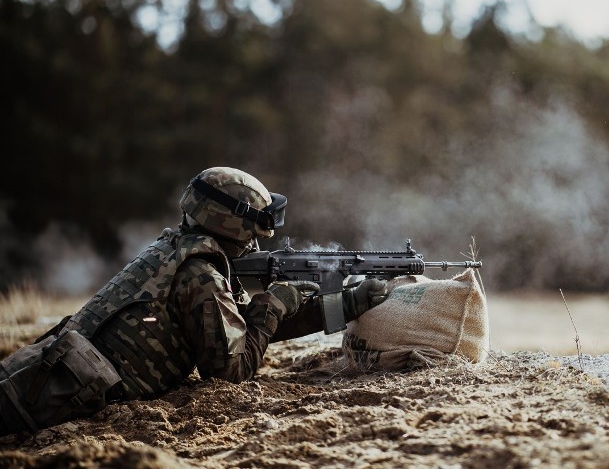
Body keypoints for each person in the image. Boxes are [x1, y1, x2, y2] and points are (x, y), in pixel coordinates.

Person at [0, 167, 388, 436]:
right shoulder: (200, 275)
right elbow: (229, 370)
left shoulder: (176, 250)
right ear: (228, 222)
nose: (257, 239)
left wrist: (347, 304)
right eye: (253, 226)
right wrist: (274, 304)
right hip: (45, 401)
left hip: (40, 374)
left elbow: (234, 330)